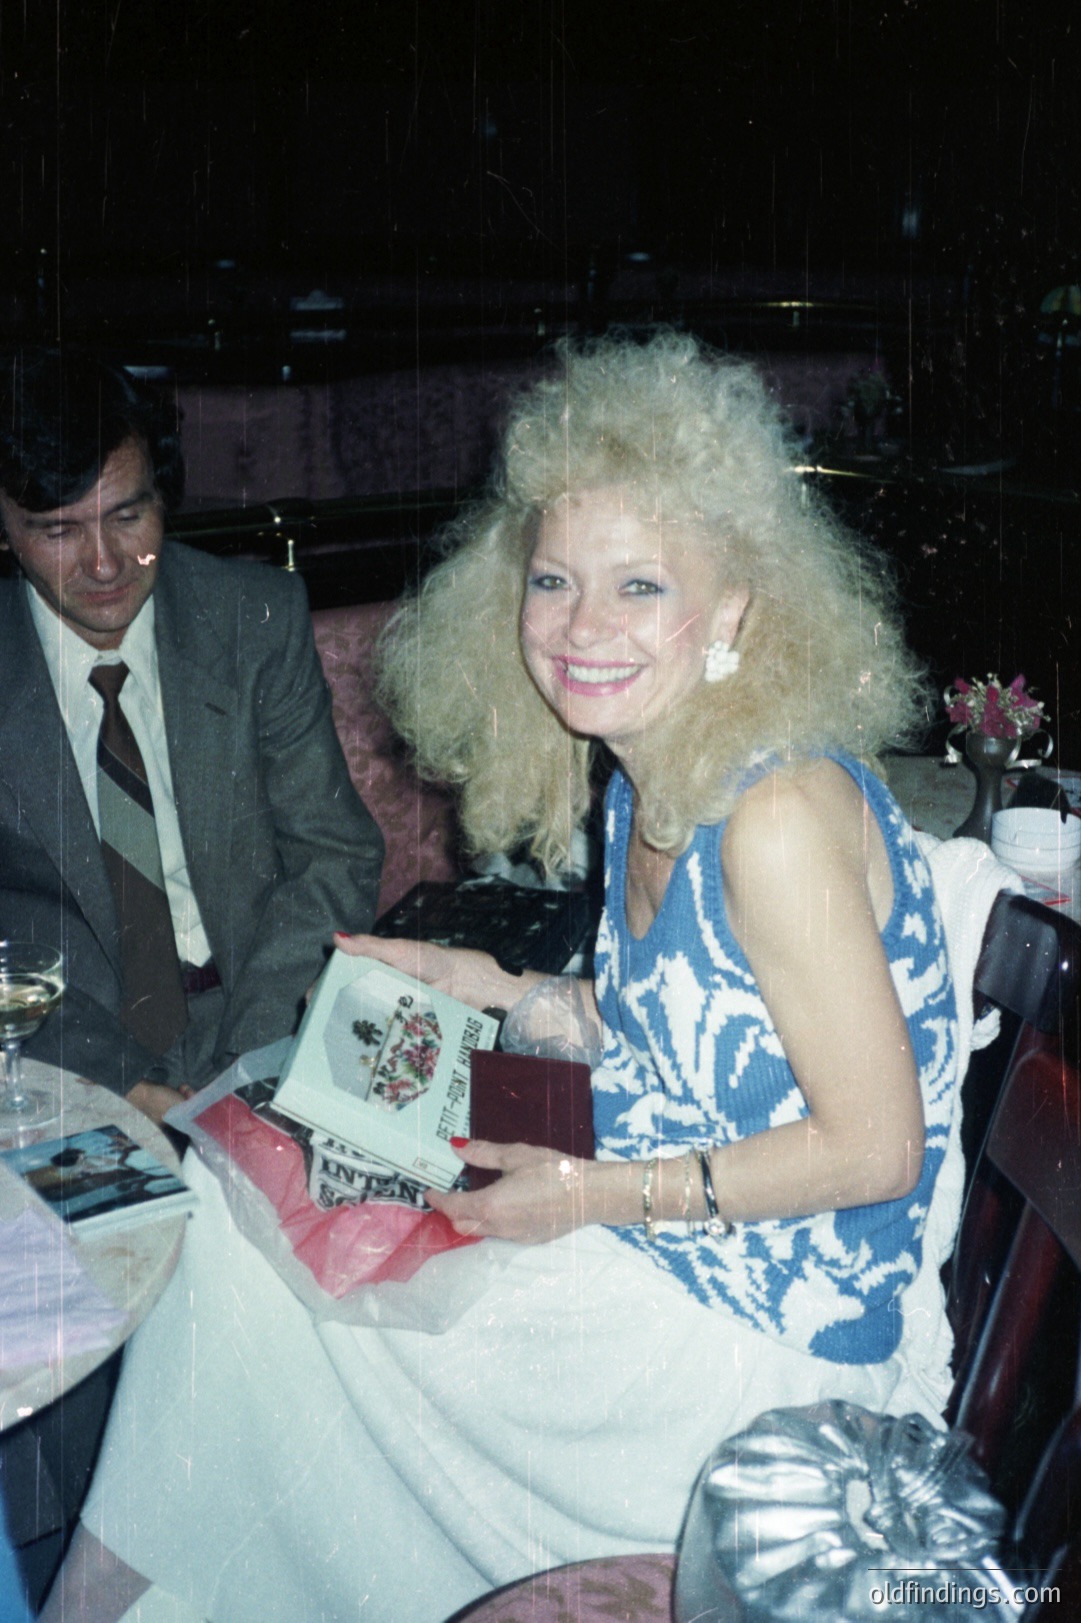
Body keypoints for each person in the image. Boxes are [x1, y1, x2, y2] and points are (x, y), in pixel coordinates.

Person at [53, 334, 968, 1623]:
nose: (583, 627)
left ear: (735, 612)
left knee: (259, 1286)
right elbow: (674, 1027)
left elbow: (875, 1151)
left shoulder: (774, 817)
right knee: (237, 1220)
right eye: (552, 579)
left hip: (752, 1356)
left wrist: (586, 1195)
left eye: (640, 585)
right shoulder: (645, 772)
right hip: (666, 1247)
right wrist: (479, 978)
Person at [0, 347, 385, 1126]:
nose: (105, 563)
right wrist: (118, 1079)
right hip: (62, 1044)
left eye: (128, 515)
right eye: (58, 530)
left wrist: (245, 1066)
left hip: (263, 1009)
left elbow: (333, 854)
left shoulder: (252, 619)